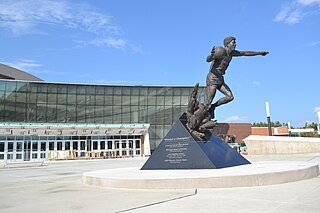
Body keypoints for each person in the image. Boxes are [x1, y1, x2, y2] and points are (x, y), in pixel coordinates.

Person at [206, 36, 269, 117]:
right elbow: (208, 60)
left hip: (220, 79)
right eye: (233, 42)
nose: (235, 44)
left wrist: (259, 53)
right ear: (227, 44)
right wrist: (211, 55)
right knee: (208, 101)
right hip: (212, 78)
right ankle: (202, 117)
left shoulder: (232, 53)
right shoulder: (221, 51)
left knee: (230, 97)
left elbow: (245, 53)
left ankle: (213, 107)